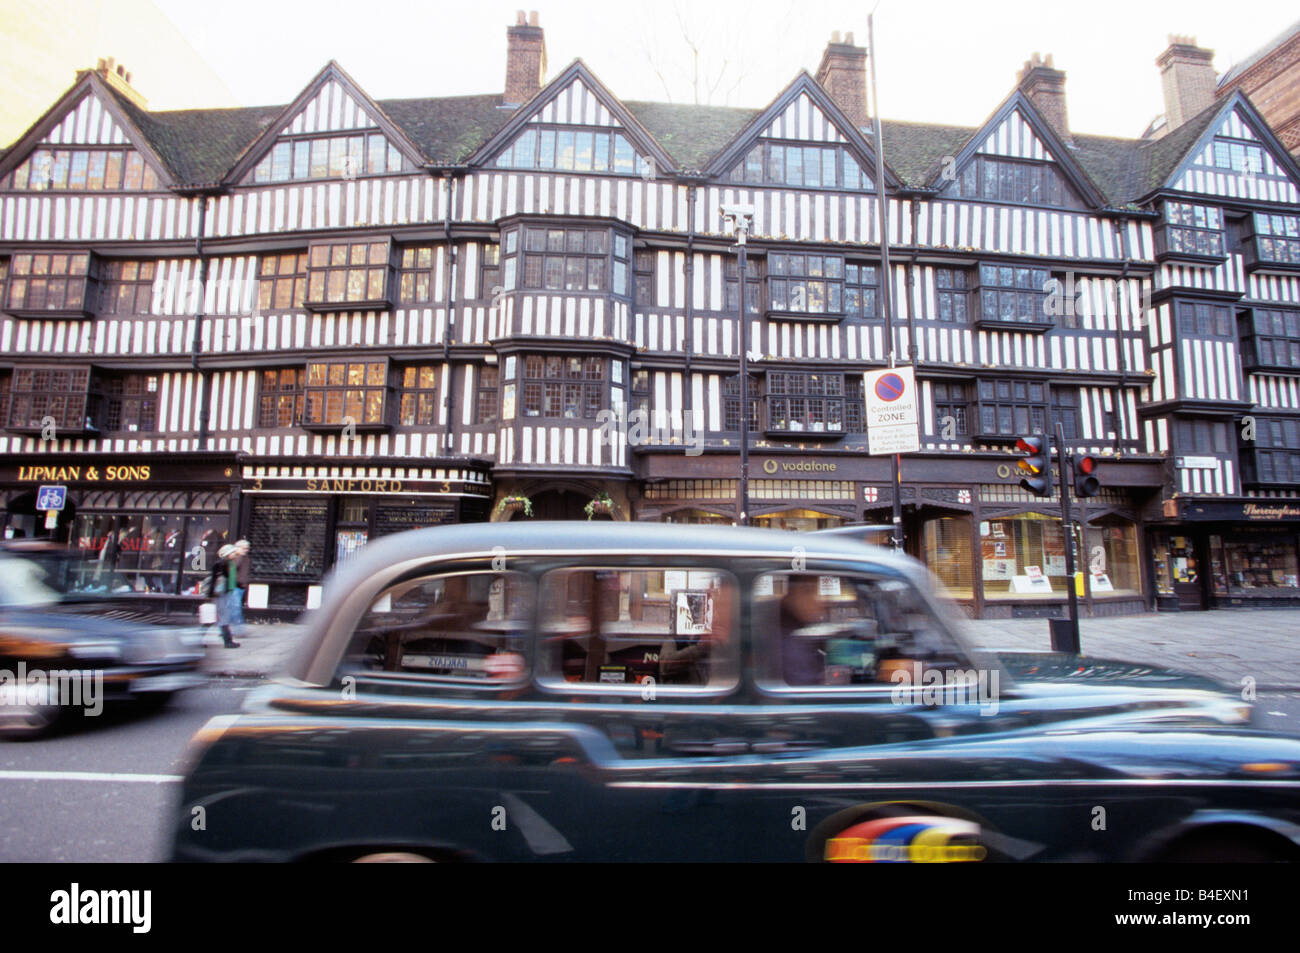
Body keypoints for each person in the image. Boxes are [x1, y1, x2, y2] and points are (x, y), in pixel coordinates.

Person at [208, 544, 241, 648]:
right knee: (223, 617)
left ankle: (228, 640)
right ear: (227, 554)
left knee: (222, 616)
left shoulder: (230, 563)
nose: (235, 554)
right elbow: (214, 580)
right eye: (233, 553)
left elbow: (232, 579)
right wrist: (211, 594)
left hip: (227, 592)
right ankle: (228, 641)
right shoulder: (221, 564)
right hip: (220, 594)